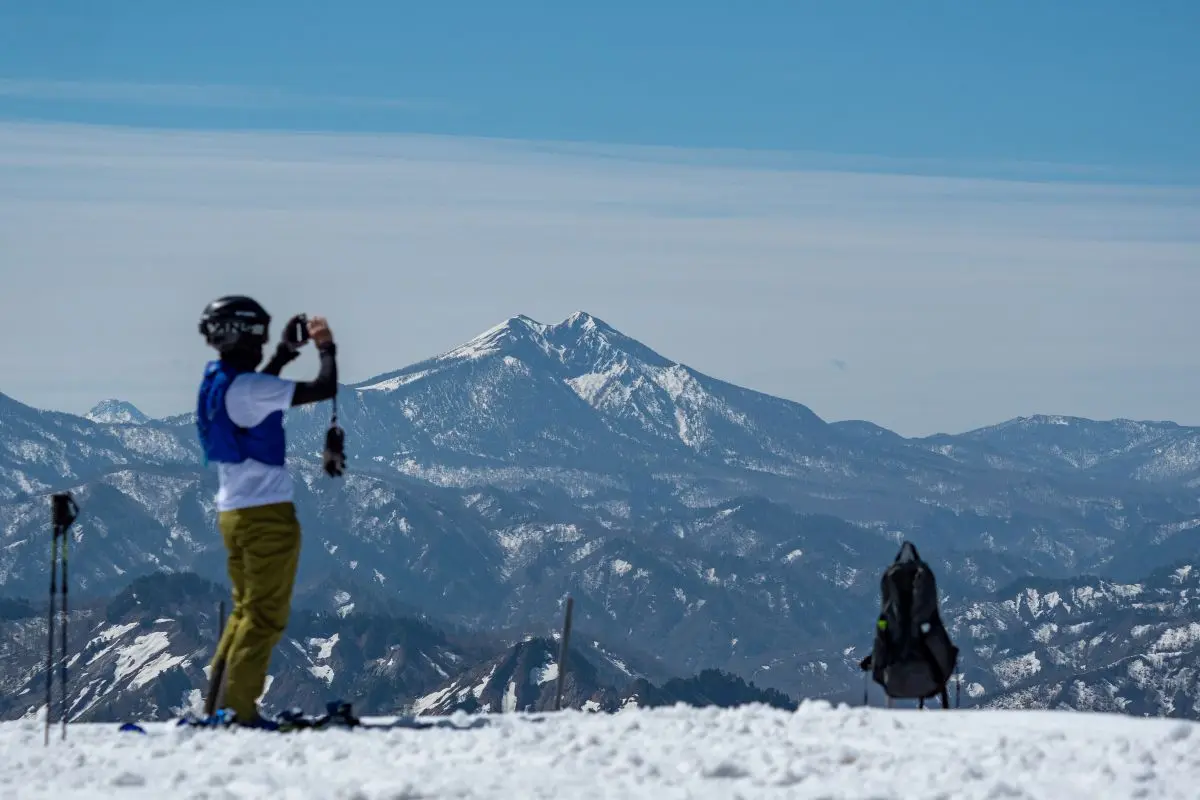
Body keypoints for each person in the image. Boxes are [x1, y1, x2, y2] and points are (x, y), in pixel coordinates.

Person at [195, 295, 338, 727]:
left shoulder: (218, 382)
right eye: (260, 336)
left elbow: (256, 394)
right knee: (264, 616)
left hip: (233, 512)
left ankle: (219, 706)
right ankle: (239, 711)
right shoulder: (250, 387)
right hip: (266, 516)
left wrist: (284, 353)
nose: (262, 344)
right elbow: (324, 387)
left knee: (245, 610)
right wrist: (326, 346)